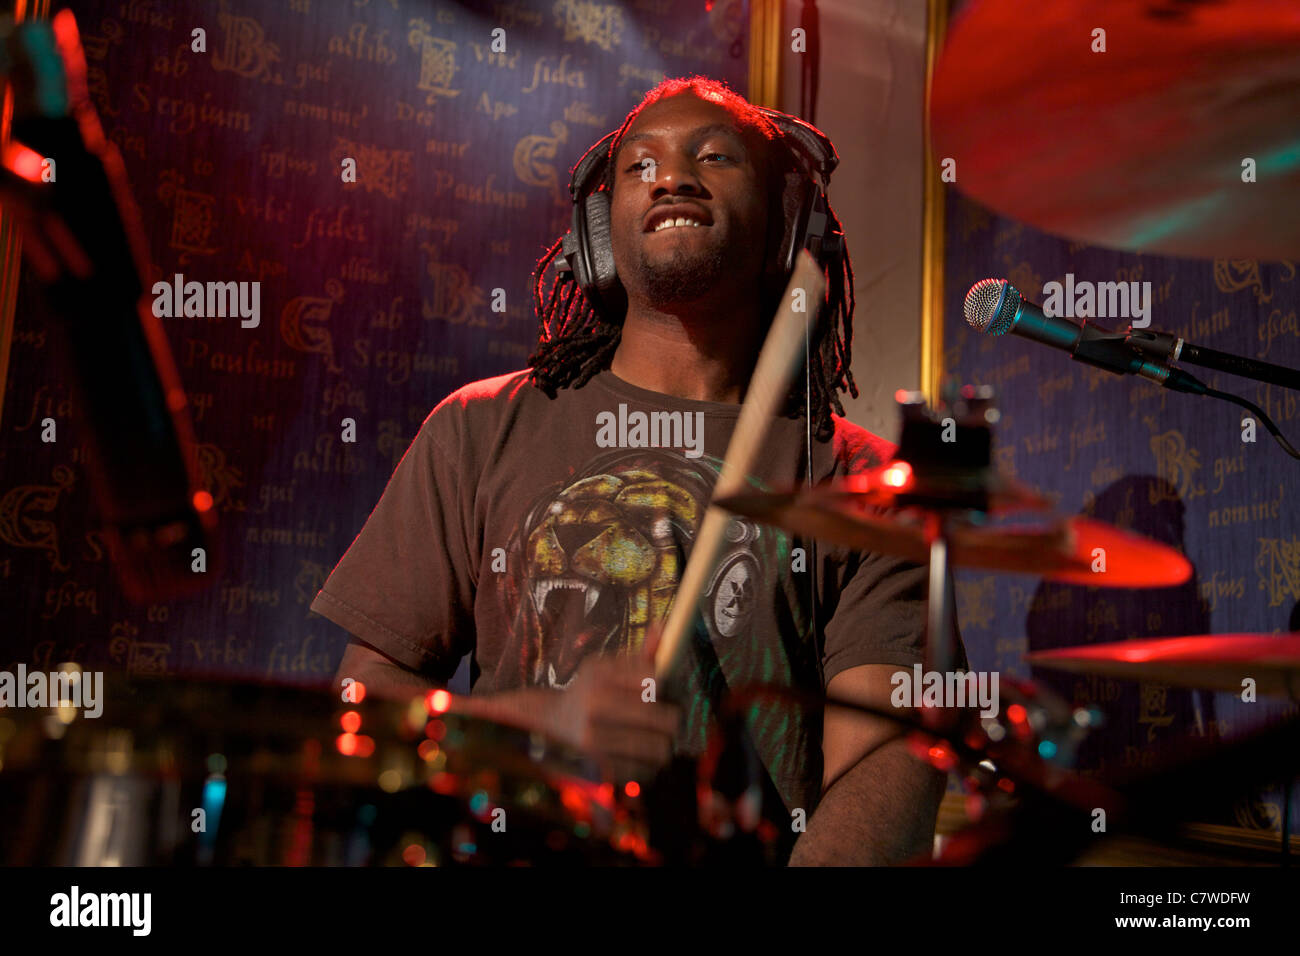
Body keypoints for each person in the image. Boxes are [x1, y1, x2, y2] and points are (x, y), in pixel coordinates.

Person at [311, 76, 956, 865]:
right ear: (597, 232)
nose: (673, 176)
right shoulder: (477, 428)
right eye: (638, 166)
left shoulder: (863, 486)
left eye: (716, 156)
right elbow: (364, 696)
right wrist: (535, 728)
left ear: (787, 225)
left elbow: (890, 762)